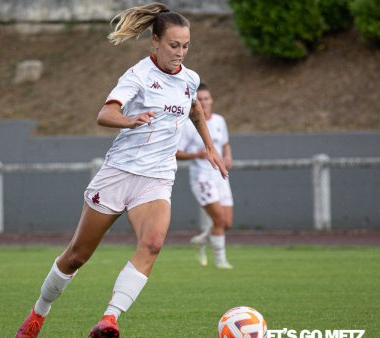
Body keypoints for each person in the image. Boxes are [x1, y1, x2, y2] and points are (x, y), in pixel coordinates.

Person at [15, 3, 228, 338]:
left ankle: (109, 319)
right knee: (76, 256)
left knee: (153, 243)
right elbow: (105, 113)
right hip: (119, 173)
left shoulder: (190, 79)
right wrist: (130, 119)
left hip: (157, 177)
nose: (181, 52)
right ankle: (37, 315)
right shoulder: (138, 75)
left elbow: (194, 109)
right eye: (174, 45)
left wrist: (210, 147)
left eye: (186, 46)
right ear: (154, 42)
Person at [176, 83, 234, 269]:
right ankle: (220, 261)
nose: (204, 102)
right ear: (195, 103)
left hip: (221, 176)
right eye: (199, 99)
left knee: (227, 222)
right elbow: (176, 152)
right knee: (218, 219)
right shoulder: (187, 125)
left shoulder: (219, 120)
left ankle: (202, 240)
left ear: (211, 100)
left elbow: (225, 143)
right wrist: (197, 155)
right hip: (202, 177)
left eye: (206, 98)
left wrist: (227, 156)